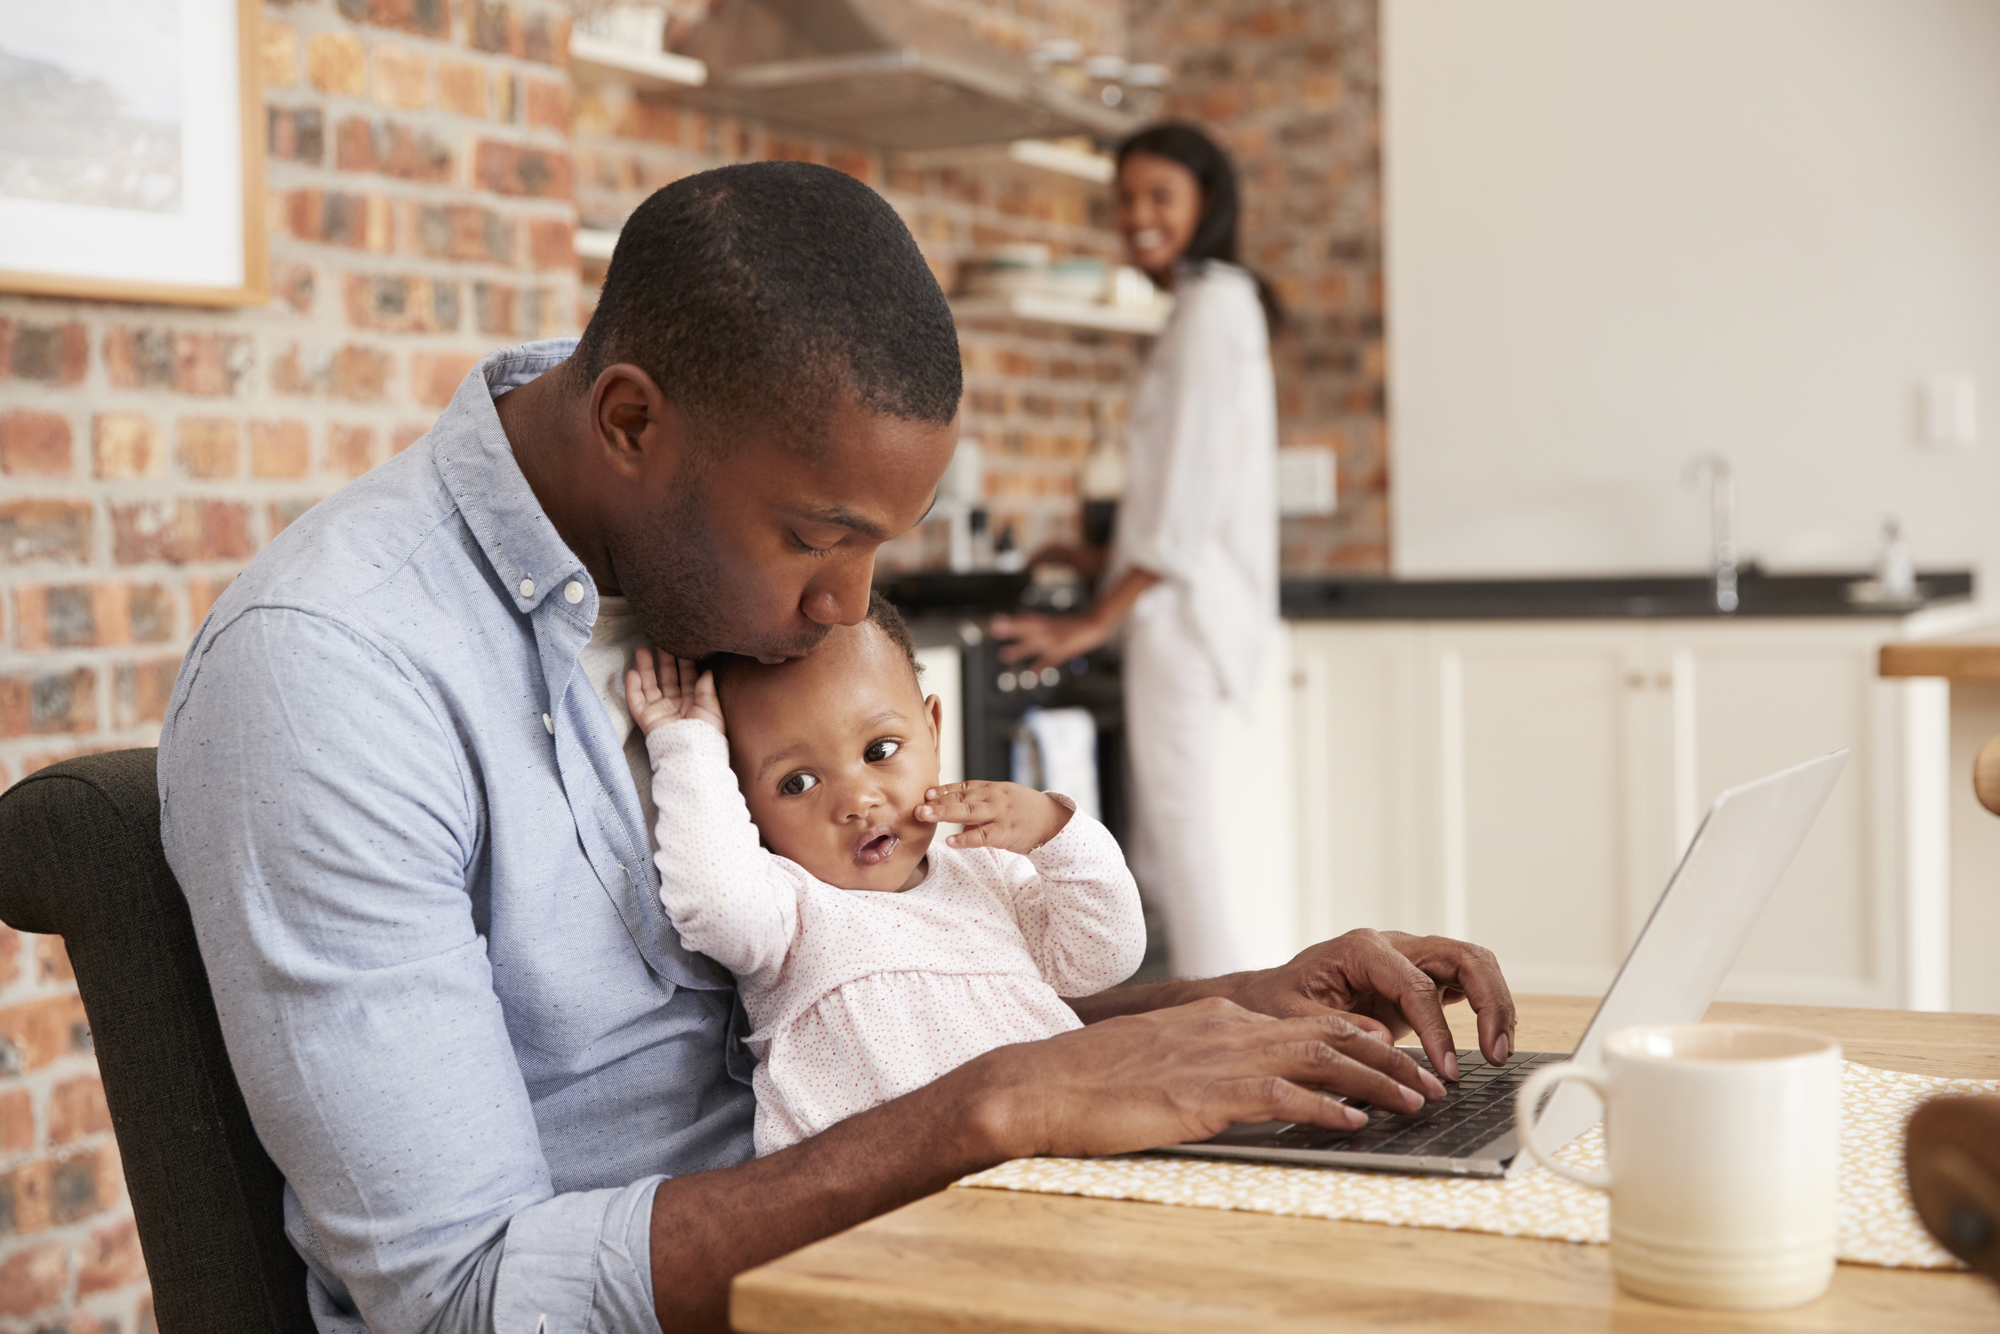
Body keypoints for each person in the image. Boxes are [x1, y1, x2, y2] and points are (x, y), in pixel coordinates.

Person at [158, 161, 1515, 1334]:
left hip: (907, 1259)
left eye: (876, 546)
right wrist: (996, 1105)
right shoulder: (334, 673)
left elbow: (842, 1036)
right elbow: (463, 1291)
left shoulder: (688, 573)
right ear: (631, 422)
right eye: (819, 537)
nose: (848, 608)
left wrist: (1212, 1015)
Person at [624, 594, 1147, 1156]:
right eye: (797, 783)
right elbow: (715, 903)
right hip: (891, 1206)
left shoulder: (989, 871)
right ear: (743, 807)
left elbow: (1106, 956)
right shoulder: (790, 906)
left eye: (881, 749)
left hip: (1055, 1160)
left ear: (933, 731)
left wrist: (1054, 830)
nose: (857, 800)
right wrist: (689, 746)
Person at [991, 124, 1280, 979]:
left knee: (1180, 855)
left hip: (1179, 616)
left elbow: (1185, 506)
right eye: (1125, 198)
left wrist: (1090, 622)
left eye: (1160, 196)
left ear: (1206, 204)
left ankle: (1230, 1044)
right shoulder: (1208, 303)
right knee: (1164, 853)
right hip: (1178, 605)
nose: (1137, 216)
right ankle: (1207, 1037)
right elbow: (1184, 490)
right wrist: (1097, 564)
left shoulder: (1210, 308)